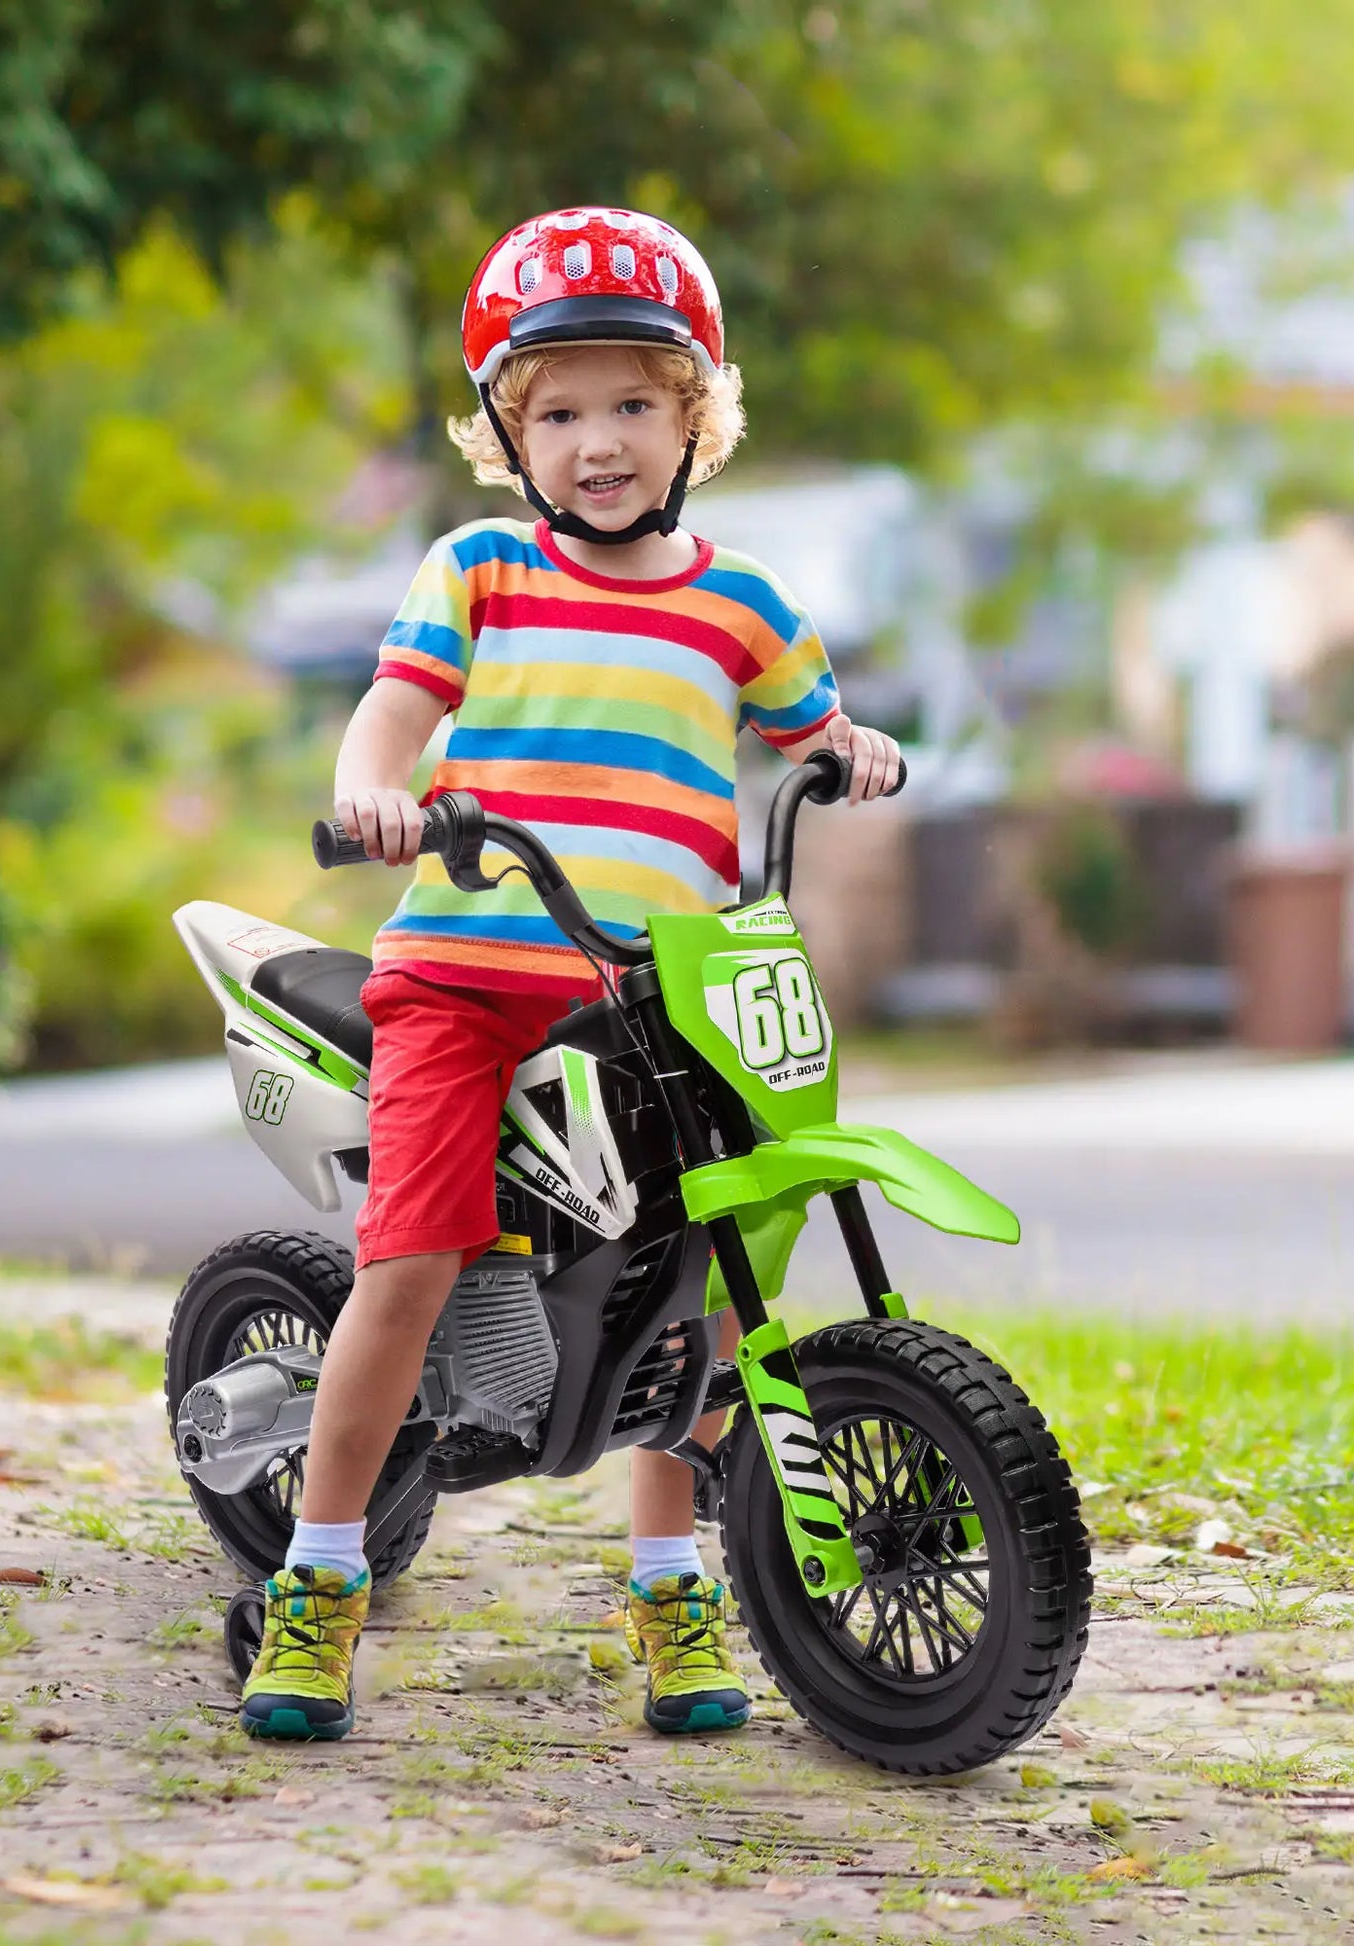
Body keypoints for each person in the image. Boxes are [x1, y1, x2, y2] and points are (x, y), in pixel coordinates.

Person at [239, 208, 902, 1743]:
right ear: (505, 432)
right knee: (407, 1265)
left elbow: (811, 728)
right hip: (468, 975)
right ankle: (318, 1578)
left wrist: (844, 750)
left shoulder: (740, 600)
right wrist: (375, 791)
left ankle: (671, 1584)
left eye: (629, 404)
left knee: (712, 1280)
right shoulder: (478, 566)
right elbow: (390, 716)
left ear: (694, 418)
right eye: (554, 410)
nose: (594, 441)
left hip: (662, 986)